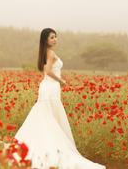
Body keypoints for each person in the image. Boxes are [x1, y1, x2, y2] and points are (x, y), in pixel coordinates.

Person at [12, 28, 106, 169]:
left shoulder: (45, 52)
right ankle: (52, 149)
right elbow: (48, 71)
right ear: (45, 40)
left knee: (46, 118)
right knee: (50, 119)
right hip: (50, 88)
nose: (55, 39)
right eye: (52, 37)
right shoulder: (50, 53)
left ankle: (45, 146)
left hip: (47, 88)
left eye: (55, 37)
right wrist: (61, 80)